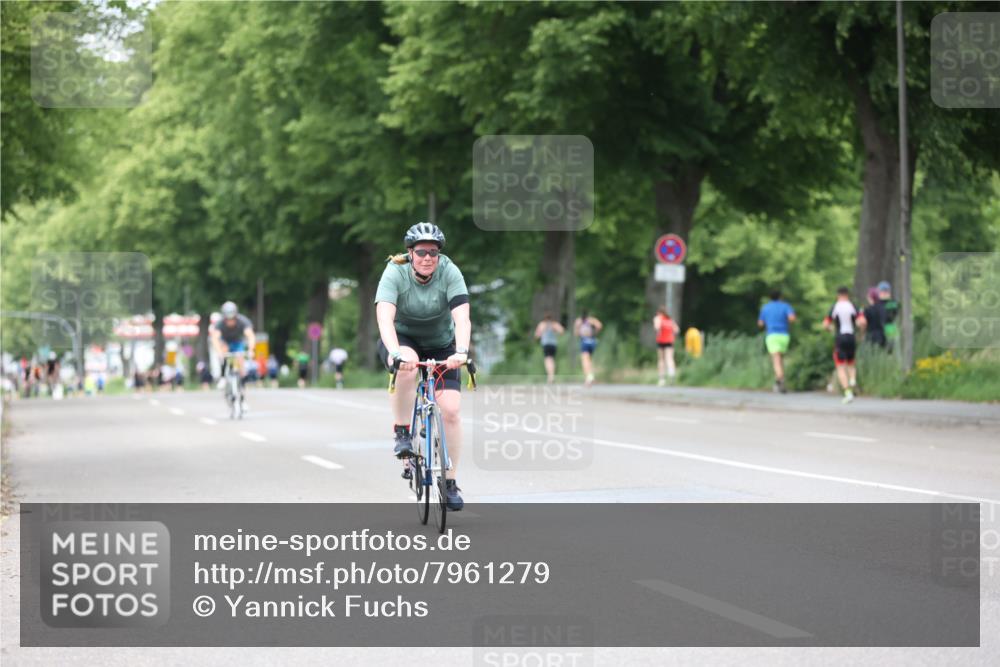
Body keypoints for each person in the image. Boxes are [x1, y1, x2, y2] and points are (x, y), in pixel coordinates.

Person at [375, 222, 471, 511]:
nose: (427, 258)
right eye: (421, 252)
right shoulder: (394, 271)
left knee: (452, 411)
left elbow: (462, 319)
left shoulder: (450, 272)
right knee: (406, 366)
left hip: (442, 343)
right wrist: (394, 353)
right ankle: (403, 431)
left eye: (433, 252)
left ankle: (450, 481)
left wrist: (462, 351)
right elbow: (384, 319)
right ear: (410, 253)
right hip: (402, 338)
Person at [823, 287, 866, 404]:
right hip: (851, 337)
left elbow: (825, 324)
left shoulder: (835, 306)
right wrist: (861, 332)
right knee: (851, 363)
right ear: (848, 295)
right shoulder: (853, 306)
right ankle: (852, 380)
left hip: (840, 337)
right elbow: (862, 321)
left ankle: (847, 392)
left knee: (840, 366)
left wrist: (831, 329)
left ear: (838, 295)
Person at [210, 301, 256, 402]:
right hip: (225, 342)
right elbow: (215, 338)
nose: (230, 322)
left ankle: (242, 389)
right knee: (224, 352)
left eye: (232, 319)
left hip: (237, 342)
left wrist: (250, 350)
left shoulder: (243, 321)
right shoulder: (220, 323)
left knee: (240, 360)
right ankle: (223, 377)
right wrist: (219, 352)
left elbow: (250, 336)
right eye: (228, 319)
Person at [757, 289, 796, 393]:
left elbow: (760, 323)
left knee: (776, 359)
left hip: (772, 335)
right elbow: (792, 318)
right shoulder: (785, 306)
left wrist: (769, 322)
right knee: (780, 358)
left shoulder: (766, 308)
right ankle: (778, 381)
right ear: (780, 296)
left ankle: (780, 378)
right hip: (784, 335)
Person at [573, 310, 603, 387]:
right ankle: (591, 376)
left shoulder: (579, 321)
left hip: (584, 341)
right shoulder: (591, 320)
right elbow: (599, 325)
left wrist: (579, 331)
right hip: (592, 341)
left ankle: (588, 378)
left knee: (585, 360)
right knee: (589, 360)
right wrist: (595, 332)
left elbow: (576, 333)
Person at [533, 313, 565, 384]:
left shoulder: (542, 324)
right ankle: (552, 376)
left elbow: (536, 335)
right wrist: (554, 330)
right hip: (553, 344)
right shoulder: (554, 324)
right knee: (552, 359)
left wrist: (542, 332)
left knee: (547, 360)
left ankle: (550, 377)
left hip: (546, 344)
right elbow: (562, 331)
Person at [653, 307, 680, 386]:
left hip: (661, 341)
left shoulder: (658, 318)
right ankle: (672, 375)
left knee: (661, 360)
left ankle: (662, 379)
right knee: (670, 359)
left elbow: (656, 327)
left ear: (659, 312)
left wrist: (657, 321)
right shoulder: (670, 320)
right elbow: (677, 330)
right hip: (670, 341)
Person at [877, 281, 899, 351]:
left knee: (891, 349)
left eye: (886, 291)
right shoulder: (877, 304)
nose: (884, 293)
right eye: (882, 291)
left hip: (890, 327)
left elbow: (893, 315)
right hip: (879, 329)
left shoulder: (892, 303)